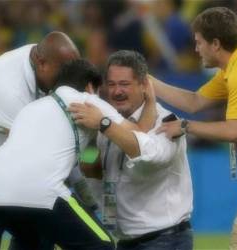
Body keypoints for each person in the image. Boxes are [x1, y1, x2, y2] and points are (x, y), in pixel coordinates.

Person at [151, 6, 237, 250]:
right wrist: (148, 81)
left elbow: (233, 132)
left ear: (215, 44)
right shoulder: (236, 67)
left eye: (199, 42)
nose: (196, 50)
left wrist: (183, 126)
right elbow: (194, 103)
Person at [0, 58, 156, 250]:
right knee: (102, 245)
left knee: (35, 241)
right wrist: (151, 100)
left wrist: (93, 142)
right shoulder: (86, 101)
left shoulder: (31, 107)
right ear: (89, 87)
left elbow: (81, 160)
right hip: (42, 192)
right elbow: (139, 135)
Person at [69, 50, 193, 250]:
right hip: (125, 241)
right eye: (111, 84)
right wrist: (92, 138)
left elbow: (150, 157)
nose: (117, 91)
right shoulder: (105, 123)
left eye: (124, 84)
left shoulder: (166, 121)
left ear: (144, 85)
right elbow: (91, 170)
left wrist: (103, 124)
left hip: (165, 240)